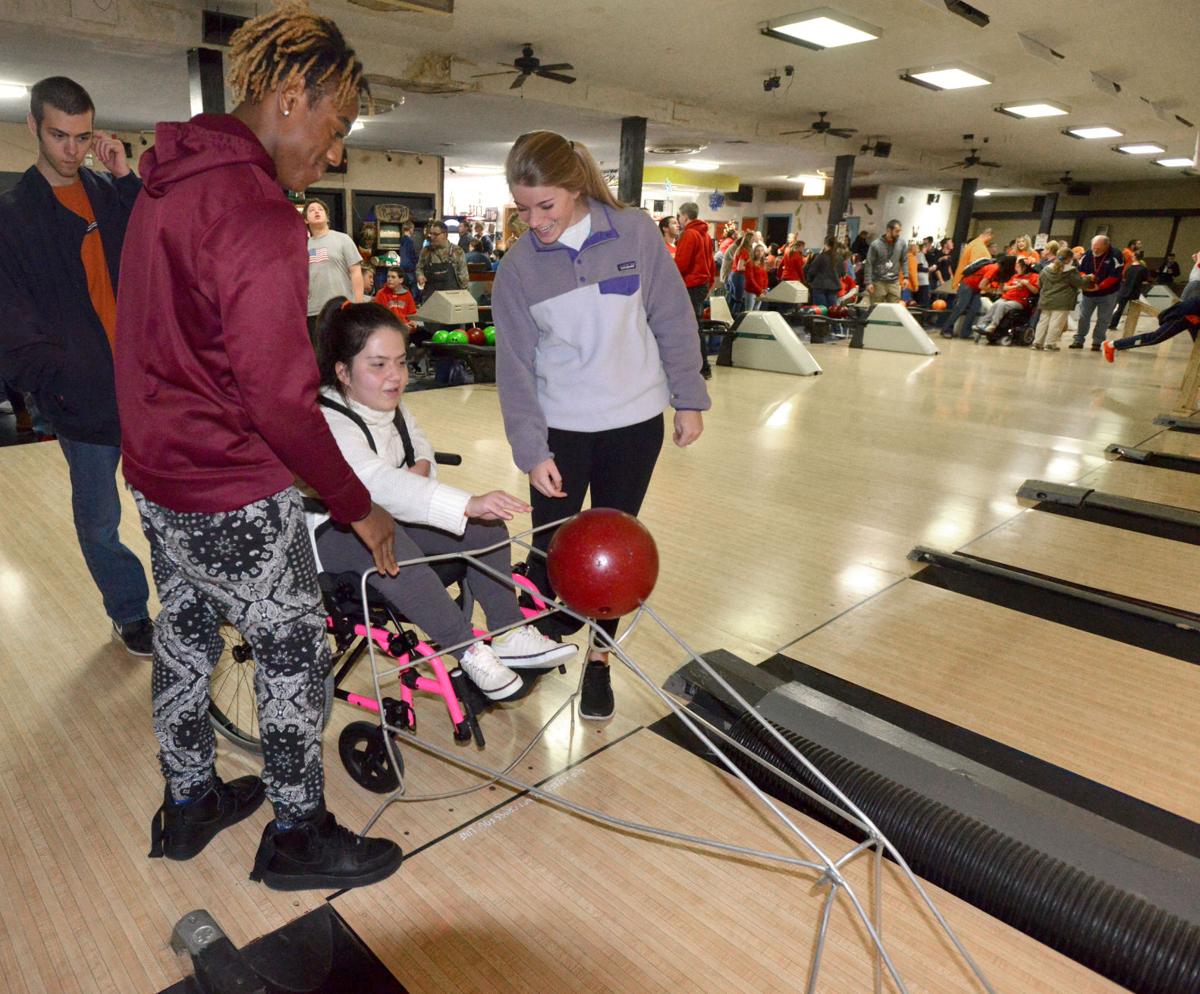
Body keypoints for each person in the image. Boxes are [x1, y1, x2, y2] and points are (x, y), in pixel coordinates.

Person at [113, 2, 404, 892]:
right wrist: (360, 506)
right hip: (228, 483)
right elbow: (281, 399)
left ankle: (191, 799)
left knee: (188, 631)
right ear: (288, 95)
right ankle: (299, 836)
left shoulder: (164, 183)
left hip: (159, 474)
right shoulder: (255, 212)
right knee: (292, 652)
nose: (335, 150)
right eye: (335, 124)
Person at [492, 131, 710, 721]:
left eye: (547, 207)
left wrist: (687, 397)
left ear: (576, 188)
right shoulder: (517, 269)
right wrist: (530, 449)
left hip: (634, 424)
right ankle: (533, 646)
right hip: (561, 432)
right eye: (524, 209)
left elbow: (671, 316)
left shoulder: (634, 232)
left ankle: (599, 662)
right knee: (549, 548)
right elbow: (514, 367)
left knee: (615, 555)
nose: (536, 222)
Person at [312, 298, 576, 698]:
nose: (395, 376)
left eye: (401, 362)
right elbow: (370, 482)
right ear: (343, 372)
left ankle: (507, 633)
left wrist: (423, 464)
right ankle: (467, 649)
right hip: (331, 535)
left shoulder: (388, 403)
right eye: (379, 364)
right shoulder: (328, 416)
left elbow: (419, 445)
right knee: (393, 536)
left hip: (387, 517)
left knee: (484, 527)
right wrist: (465, 501)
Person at [0, 76, 153, 655]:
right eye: (60, 135)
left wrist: (124, 176)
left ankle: (188, 608)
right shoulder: (13, 216)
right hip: (80, 400)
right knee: (98, 521)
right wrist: (52, 384)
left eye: (83, 135)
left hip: (143, 388)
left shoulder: (110, 192)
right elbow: (10, 318)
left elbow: (154, 247)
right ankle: (129, 611)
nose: (72, 148)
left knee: (166, 509)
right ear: (33, 128)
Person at [305, 198, 363, 342]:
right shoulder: (302, 245)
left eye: (320, 209)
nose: (316, 212)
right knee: (319, 356)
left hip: (341, 307)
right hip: (313, 310)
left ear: (327, 216)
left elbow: (356, 272)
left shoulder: (342, 239)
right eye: (311, 210)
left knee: (342, 352)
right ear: (306, 220)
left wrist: (358, 304)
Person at [673, 201, 717, 379]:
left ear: (685, 216)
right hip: (701, 285)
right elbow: (710, 262)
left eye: (679, 216)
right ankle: (701, 366)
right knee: (694, 326)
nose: (678, 220)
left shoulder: (689, 234)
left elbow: (681, 264)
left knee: (689, 328)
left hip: (690, 285)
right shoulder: (705, 234)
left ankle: (700, 366)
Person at [1103, 298, 1200, 362]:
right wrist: (1190, 315)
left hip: (1193, 316)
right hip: (1184, 315)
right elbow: (1189, 303)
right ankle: (1112, 345)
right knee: (1154, 338)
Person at [1070, 235, 1122, 350]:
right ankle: (1078, 340)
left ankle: (1097, 342)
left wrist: (1100, 286)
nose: (1095, 250)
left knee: (1103, 318)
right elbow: (1080, 272)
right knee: (1083, 316)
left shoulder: (1116, 255)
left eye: (1098, 248)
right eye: (1094, 247)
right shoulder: (1087, 255)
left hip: (1108, 293)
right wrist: (1086, 280)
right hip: (1088, 293)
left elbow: (1115, 276)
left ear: (1106, 245)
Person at [1032, 246, 1090, 351]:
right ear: (1069, 259)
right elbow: (1080, 283)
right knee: (1056, 323)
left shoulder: (1046, 269)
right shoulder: (1071, 271)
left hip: (1046, 299)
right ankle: (1050, 344)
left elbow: (1039, 283)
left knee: (1043, 322)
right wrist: (1089, 278)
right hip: (1062, 301)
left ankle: (1037, 343)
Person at [942, 254, 1000, 339]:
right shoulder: (993, 268)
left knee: (975, 308)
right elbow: (982, 285)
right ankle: (946, 330)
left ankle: (965, 333)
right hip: (967, 285)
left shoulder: (998, 270)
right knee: (960, 308)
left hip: (975, 289)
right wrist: (993, 291)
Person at [976, 257, 1038, 335]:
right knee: (997, 303)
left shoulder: (1034, 276)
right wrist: (1015, 287)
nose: (1016, 269)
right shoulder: (1015, 276)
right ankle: (983, 323)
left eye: (1018, 267)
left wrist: (1027, 284)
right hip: (1007, 297)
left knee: (1002, 305)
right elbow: (1004, 288)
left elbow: (1035, 291)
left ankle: (993, 325)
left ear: (1025, 267)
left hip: (1019, 301)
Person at [416, 219, 469, 299]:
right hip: (430, 299)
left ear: (445, 235)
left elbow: (463, 278)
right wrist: (420, 275)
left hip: (452, 298)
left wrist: (464, 298)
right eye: (431, 234)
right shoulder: (426, 251)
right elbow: (419, 268)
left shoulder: (457, 251)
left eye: (436, 234)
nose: (432, 237)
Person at [864, 219, 906, 304]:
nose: (898, 234)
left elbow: (904, 261)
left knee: (894, 311)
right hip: (878, 282)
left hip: (894, 283)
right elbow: (869, 263)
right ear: (888, 230)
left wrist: (906, 277)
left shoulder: (902, 243)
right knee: (876, 310)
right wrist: (868, 282)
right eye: (896, 231)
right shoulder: (875, 244)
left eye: (899, 231)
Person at [1110, 252, 1151, 329]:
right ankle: (1129, 326)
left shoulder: (1129, 267)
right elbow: (1145, 280)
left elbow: (1124, 278)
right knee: (1132, 311)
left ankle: (1112, 324)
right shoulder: (1143, 269)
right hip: (1135, 292)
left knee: (1118, 309)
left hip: (1124, 290)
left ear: (1134, 257)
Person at [804, 237, 842, 310]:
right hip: (834, 287)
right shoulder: (839, 258)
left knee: (821, 311)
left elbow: (812, 270)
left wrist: (809, 280)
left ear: (826, 244)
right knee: (832, 311)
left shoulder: (821, 256)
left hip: (819, 286)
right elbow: (842, 273)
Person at [743, 243, 768, 311]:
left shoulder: (763, 263)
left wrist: (765, 289)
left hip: (761, 291)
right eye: (758, 251)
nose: (760, 253)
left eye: (762, 251)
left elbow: (765, 277)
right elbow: (750, 279)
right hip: (751, 291)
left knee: (756, 311)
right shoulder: (750, 263)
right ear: (754, 252)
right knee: (749, 311)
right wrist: (760, 290)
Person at [905, 240, 931, 309]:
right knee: (918, 304)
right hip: (908, 285)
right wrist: (916, 285)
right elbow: (912, 272)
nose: (918, 250)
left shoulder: (906, 257)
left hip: (905, 284)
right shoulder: (912, 258)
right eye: (917, 249)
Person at [398, 218, 419, 293]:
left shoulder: (402, 240)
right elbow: (411, 255)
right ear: (410, 229)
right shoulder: (410, 241)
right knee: (413, 288)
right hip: (409, 268)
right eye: (413, 229)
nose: (413, 231)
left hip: (402, 267)